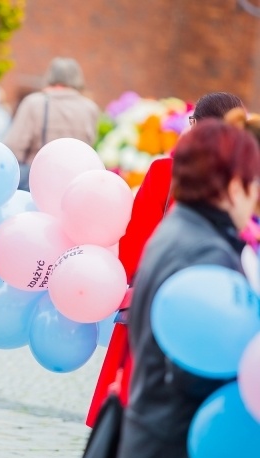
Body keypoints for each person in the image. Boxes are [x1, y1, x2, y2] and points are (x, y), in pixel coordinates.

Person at [111, 119, 259, 458]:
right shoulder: (206, 251)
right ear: (233, 186)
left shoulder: (179, 231)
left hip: (153, 450)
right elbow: (199, 371)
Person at [86, 92, 245, 427]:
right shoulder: (243, 184)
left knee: (133, 403)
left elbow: (136, 247)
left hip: (157, 304)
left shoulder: (166, 171)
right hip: (221, 314)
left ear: (193, 125)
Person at [4, 57, 100, 190]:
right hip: (75, 183)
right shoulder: (90, 108)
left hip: (38, 181)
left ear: (50, 76)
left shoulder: (34, 103)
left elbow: (14, 147)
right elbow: (90, 146)